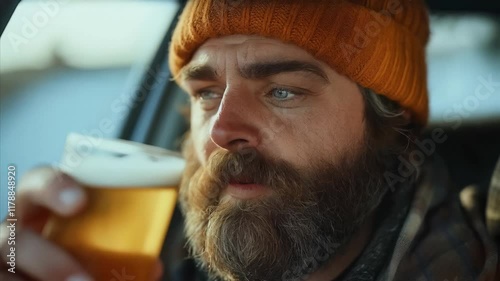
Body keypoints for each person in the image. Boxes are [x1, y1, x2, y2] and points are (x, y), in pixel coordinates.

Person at [1, 0, 499, 280]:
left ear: (390, 127)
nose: (221, 130)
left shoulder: (470, 260)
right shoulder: (138, 259)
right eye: (207, 92)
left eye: (283, 91)